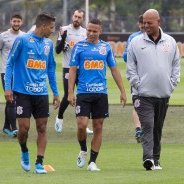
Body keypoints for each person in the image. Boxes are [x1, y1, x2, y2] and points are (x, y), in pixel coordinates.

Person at [4, 12, 60, 174]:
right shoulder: (22, 40)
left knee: (42, 127)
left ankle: (39, 163)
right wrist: (8, 87)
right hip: (22, 92)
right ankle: (24, 150)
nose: (52, 31)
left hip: (41, 93)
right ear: (42, 26)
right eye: (51, 27)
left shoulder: (49, 44)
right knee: (24, 129)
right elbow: (10, 64)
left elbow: (50, 68)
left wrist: (55, 92)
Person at [68, 19, 127, 171]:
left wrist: (122, 90)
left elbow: (114, 69)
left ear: (100, 31)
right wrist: (70, 92)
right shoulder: (79, 47)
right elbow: (73, 70)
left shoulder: (106, 47)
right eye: (89, 30)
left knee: (98, 127)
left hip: (101, 93)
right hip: (83, 93)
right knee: (81, 125)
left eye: (95, 31)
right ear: (86, 30)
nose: (91, 33)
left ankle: (92, 162)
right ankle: (83, 149)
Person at [126, 9, 181, 170]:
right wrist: (138, 84)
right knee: (148, 125)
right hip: (142, 95)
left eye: (149, 22)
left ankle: (156, 159)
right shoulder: (136, 42)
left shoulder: (170, 42)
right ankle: (148, 158)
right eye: (144, 22)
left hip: (163, 93)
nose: (146, 25)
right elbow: (130, 68)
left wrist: (171, 84)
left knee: (157, 128)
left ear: (159, 22)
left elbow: (176, 65)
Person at [54, 9, 93, 134]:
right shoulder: (64, 30)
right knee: (67, 95)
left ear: (83, 19)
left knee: (83, 96)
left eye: (79, 17)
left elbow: (88, 50)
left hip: (82, 69)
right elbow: (58, 50)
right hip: (68, 68)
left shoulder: (84, 33)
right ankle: (59, 118)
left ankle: (83, 124)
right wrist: (63, 38)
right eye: (75, 16)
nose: (77, 19)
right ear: (72, 16)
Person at [0, 13, 25, 137]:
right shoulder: (3, 36)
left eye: (18, 21)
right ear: (10, 21)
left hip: (19, 72)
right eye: (14, 21)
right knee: (11, 100)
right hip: (6, 72)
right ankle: (14, 128)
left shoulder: (24, 36)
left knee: (13, 99)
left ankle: (6, 127)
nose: (16, 24)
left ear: (21, 22)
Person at [123, 15, 144, 143]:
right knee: (137, 102)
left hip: (151, 75)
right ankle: (138, 129)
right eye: (141, 23)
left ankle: (149, 128)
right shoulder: (133, 37)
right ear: (138, 24)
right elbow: (126, 57)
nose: (143, 25)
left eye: (145, 23)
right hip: (137, 76)